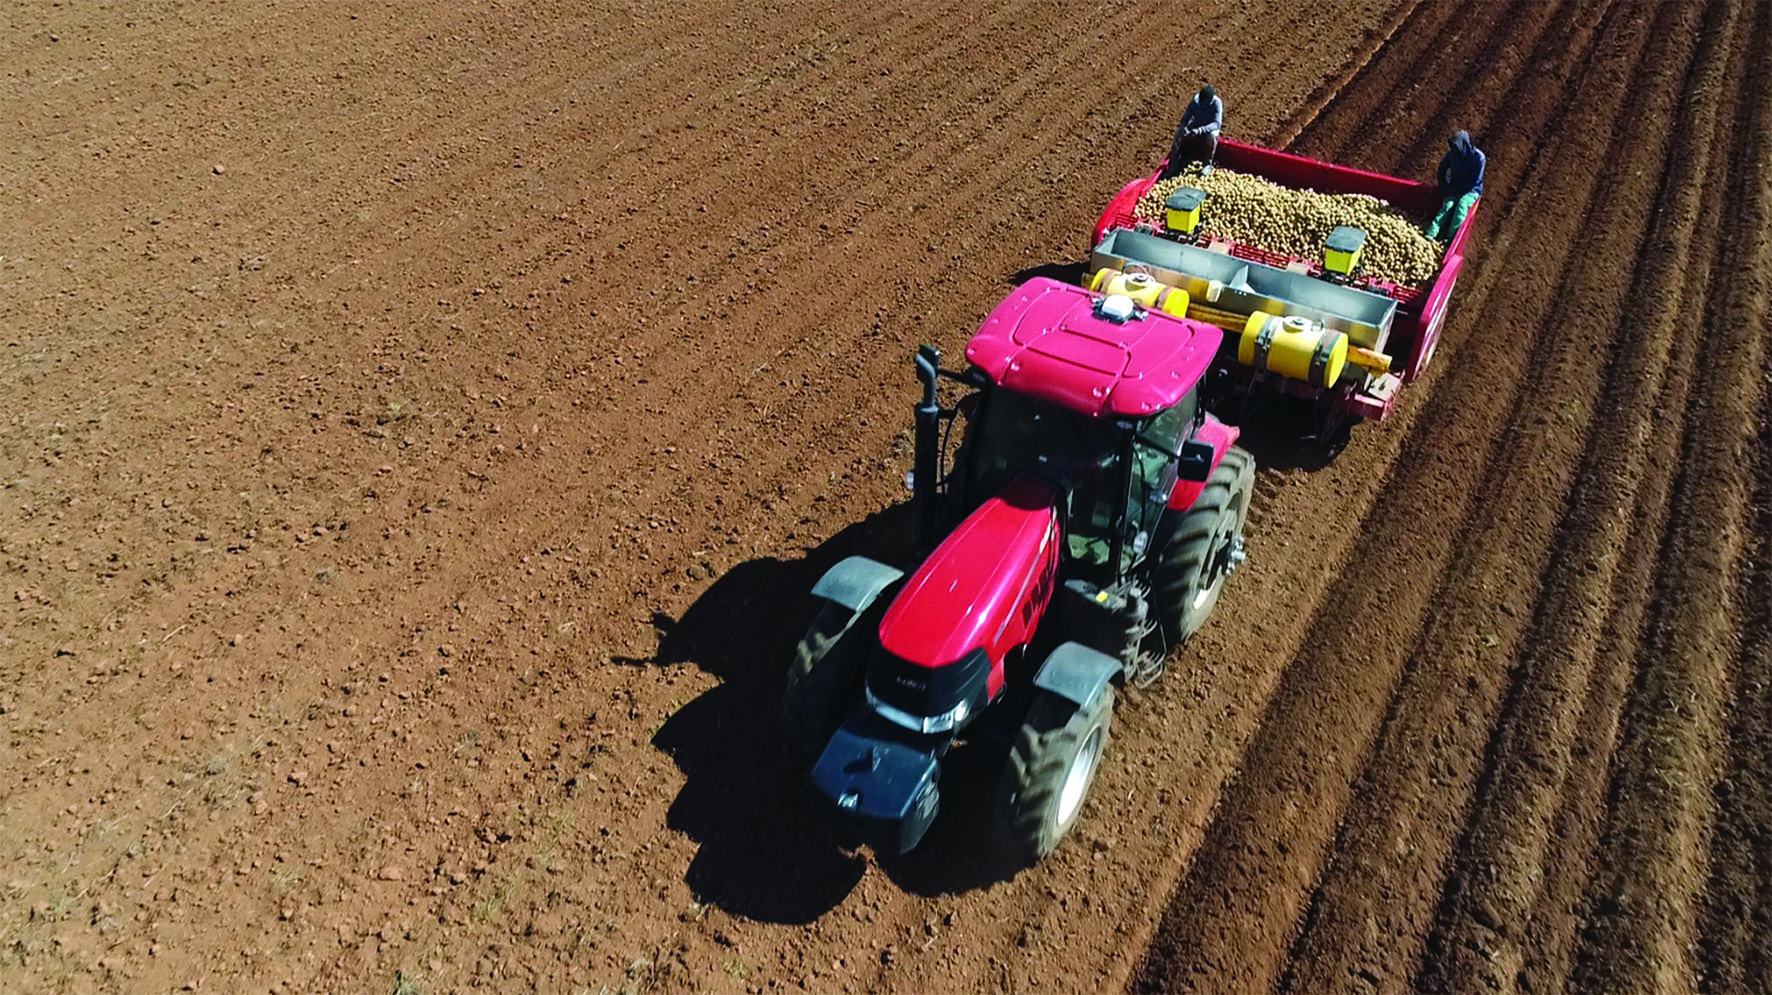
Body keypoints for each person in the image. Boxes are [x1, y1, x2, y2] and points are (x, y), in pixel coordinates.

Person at [1424, 130, 1485, 240]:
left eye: (1456, 148)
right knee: (1447, 206)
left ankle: (1452, 238)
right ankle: (1431, 233)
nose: (1454, 151)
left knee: (1462, 205)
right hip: (1455, 186)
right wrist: (1444, 186)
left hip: (1471, 190)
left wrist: (1455, 190)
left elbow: (1473, 181)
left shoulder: (1478, 158)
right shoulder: (1452, 155)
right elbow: (1442, 169)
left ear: (1464, 145)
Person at [1158, 85, 1224, 181]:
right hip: (1196, 125)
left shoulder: (1216, 103)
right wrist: (1185, 127)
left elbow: (1216, 124)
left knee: (1212, 136)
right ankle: (1174, 164)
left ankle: (1207, 164)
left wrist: (1200, 130)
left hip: (1209, 128)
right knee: (1179, 132)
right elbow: (1186, 118)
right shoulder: (1195, 102)